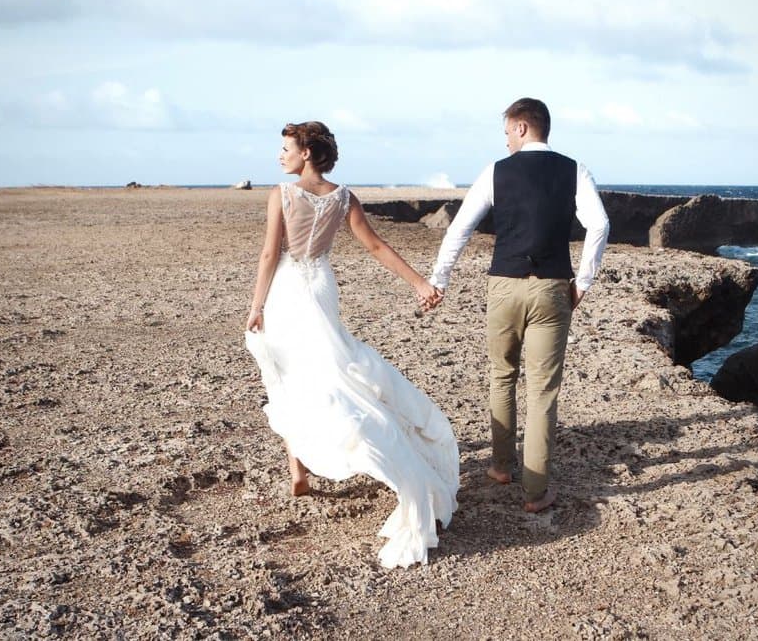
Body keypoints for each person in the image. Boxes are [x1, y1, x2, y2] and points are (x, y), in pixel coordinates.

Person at [243, 121, 457, 568]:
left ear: (306, 153)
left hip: (287, 288)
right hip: (320, 285)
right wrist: (418, 284)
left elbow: (269, 254)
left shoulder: (280, 195)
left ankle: (298, 468)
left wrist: (257, 304)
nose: (280, 156)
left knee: (291, 374)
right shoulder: (343, 197)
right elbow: (376, 247)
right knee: (327, 368)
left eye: (286, 149)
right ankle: (299, 468)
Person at [427, 98, 609, 513]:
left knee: (501, 375)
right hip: (552, 287)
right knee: (543, 391)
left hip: (504, 287)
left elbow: (460, 228)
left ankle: (500, 465)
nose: (506, 139)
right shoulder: (574, 169)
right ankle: (535, 492)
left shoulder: (495, 171)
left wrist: (440, 278)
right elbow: (599, 224)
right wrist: (583, 282)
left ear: (523, 127)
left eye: (508, 130)